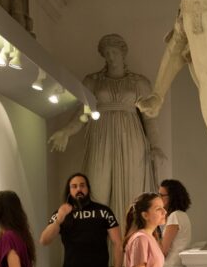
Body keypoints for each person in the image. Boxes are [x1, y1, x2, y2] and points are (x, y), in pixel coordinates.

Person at [48, 34, 164, 224]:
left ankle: (129, 245)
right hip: (101, 137)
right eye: (106, 53)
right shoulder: (92, 81)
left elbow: (149, 118)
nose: (110, 56)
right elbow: (82, 114)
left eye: (114, 52)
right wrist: (66, 131)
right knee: (97, 190)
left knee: (131, 193)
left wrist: (156, 147)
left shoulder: (139, 83)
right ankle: (100, 247)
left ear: (122, 53)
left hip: (131, 139)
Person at [159, 179, 192, 267]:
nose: (159, 198)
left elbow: (163, 250)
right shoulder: (182, 215)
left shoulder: (175, 216)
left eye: (162, 195)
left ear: (172, 197)